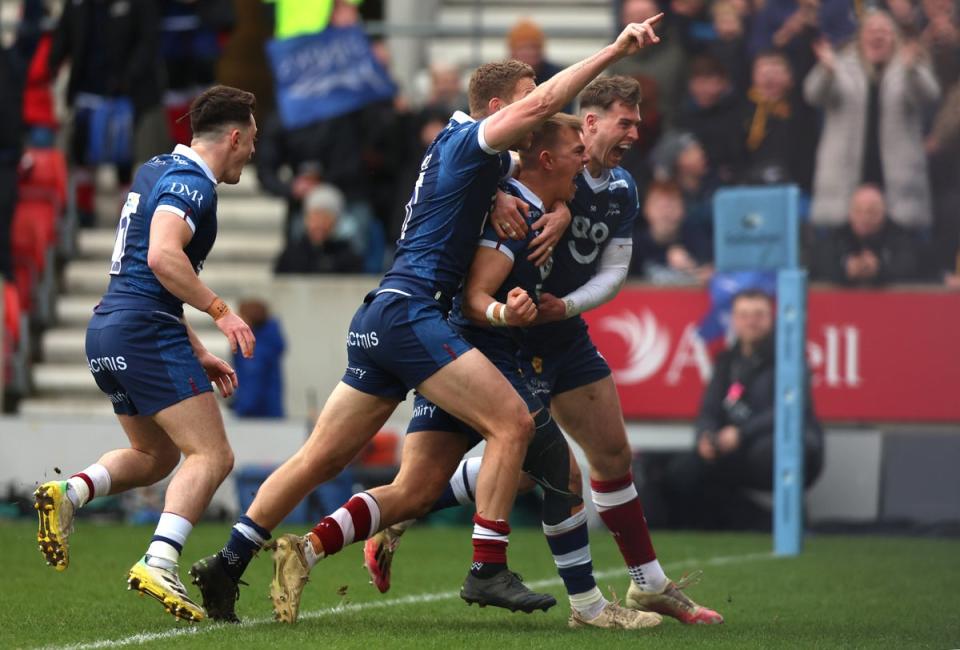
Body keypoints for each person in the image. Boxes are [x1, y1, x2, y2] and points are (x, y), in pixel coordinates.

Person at [189, 17, 665, 623]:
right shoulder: (476, 142)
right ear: (497, 108)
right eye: (526, 99)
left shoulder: (466, 151)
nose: (537, 110)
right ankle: (488, 567)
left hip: (383, 315)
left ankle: (227, 564)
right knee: (514, 425)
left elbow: (539, 173)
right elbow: (546, 114)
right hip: (416, 314)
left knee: (326, 460)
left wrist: (563, 208)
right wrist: (616, 49)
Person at [264, 115, 664, 630]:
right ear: (550, 155)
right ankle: (583, 606)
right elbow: (477, 298)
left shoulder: (524, 193)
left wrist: (561, 208)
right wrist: (507, 310)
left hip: (454, 349)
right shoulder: (514, 213)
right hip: (481, 355)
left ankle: (306, 549)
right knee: (559, 472)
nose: (585, 157)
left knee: (418, 490)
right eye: (576, 150)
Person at [365, 76, 724, 627]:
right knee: (544, 472)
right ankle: (585, 603)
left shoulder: (621, 187)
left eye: (636, 121)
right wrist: (510, 196)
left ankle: (647, 585)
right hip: (505, 336)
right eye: (623, 122)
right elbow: (462, 174)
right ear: (590, 122)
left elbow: (615, 270)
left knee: (611, 454)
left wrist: (568, 303)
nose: (634, 132)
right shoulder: (527, 163)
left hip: (563, 331)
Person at [32, 86, 258, 622]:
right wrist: (221, 311)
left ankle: (69, 492)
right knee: (213, 455)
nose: (253, 151)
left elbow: (141, 269)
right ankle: (160, 560)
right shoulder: (193, 184)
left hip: (109, 328)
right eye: (252, 140)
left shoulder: (157, 168)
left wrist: (196, 348)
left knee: (155, 457)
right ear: (234, 136)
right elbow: (161, 256)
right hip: (141, 331)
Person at [643, 290, 824, 530]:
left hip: (780, 448)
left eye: (759, 315)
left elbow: (789, 411)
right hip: (733, 449)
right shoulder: (726, 361)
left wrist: (741, 434)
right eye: (744, 315)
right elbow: (708, 411)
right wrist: (705, 437)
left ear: (772, 318)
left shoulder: (791, 360)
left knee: (769, 453)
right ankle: (756, 522)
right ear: (734, 320)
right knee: (683, 471)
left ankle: (781, 522)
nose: (751, 321)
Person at [804, 9, 941, 231]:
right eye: (871, 31)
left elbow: (929, 95)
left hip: (897, 184)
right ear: (860, 37)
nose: (877, 36)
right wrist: (826, 71)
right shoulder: (840, 65)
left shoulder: (907, 65)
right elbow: (813, 95)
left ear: (894, 37)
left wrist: (912, 70)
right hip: (845, 180)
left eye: (884, 31)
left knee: (899, 258)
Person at [808, 184, 923, 286]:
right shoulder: (837, 237)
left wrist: (879, 269)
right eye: (858, 211)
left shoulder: (900, 237)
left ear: (884, 212)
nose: (865, 218)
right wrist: (846, 269)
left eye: (871, 211)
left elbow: (911, 267)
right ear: (850, 212)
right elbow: (818, 263)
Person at [630, 179, 712, 284]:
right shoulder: (633, 244)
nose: (666, 212)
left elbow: (709, 269)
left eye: (672, 205)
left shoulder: (697, 239)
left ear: (683, 209)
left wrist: (698, 268)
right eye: (659, 205)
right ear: (646, 209)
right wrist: (664, 257)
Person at [273, 184, 364, 274]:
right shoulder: (292, 254)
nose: (319, 224)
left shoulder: (348, 256)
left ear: (336, 222)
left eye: (325, 218)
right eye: (315, 217)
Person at [230, 299, 286, 418]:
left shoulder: (252, 347)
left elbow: (252, 379)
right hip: (271, 410)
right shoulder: (269, 341)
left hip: (254, 415)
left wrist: (243, 408)